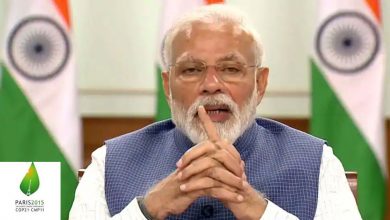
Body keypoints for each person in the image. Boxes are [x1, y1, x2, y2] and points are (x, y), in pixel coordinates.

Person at [69, 4, 361, 220]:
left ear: (260, 84)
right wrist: (150, 208)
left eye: (231, 69)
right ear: (168, 86)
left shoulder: (316, 162)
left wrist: (254, 207)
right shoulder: (111, 162)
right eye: (192, 70)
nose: (211, 85)